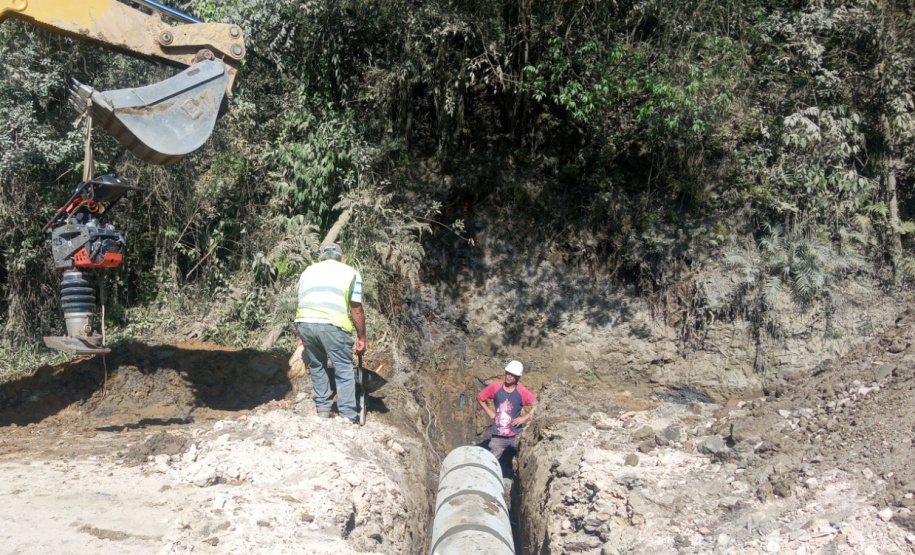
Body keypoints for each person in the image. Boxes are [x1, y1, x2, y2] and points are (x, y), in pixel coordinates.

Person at [294, 242, 367, 424]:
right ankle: (348, 417)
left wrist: (301, 336)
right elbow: (356, 309)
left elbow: (302, 303)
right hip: (334, 326)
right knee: (343, 369)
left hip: (306, 324)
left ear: (319, 259)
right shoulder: (350, 272)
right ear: (343, 259)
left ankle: (323, 411)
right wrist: (362, 337)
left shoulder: (308, 272)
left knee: (317, 366)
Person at [477, 360, 537, 463]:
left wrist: (524, 418)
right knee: (490, 462)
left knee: (522, 459)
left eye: (513, 375)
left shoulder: (522, 392)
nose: (509, 376)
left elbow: (538, 405)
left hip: (516, 435)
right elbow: (480, 397)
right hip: (498, 436)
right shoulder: (495, 387)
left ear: (518, 377)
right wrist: (489, 412)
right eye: (508, 373)